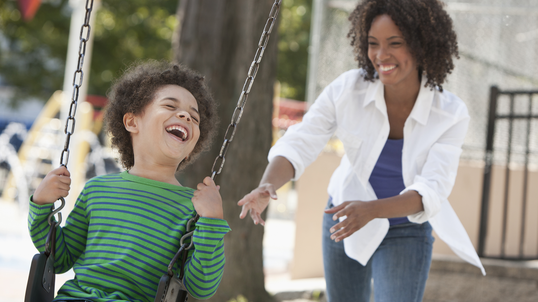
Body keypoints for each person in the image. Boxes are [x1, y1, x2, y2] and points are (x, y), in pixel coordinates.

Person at [238, 0, 485, 301]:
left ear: (423, 45)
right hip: (344, 218)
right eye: (373, 43)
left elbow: (432, 189)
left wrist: (372, 211)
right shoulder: (348, 89)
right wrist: (268, 185)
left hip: (405, 229)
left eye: (395, 43)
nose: (381, 55)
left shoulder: (450, 113)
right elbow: (303, 139)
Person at [28, 61, 230, 301]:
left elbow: (201, 287)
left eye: (194, 119)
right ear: (132, 122)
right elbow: (59, 258)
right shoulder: (97, 191)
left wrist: (212, 221)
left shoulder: (194, 208)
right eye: (169, 105)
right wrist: (41, 205)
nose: (186, 115)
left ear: (191, 147)